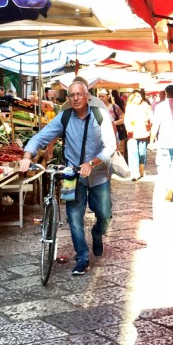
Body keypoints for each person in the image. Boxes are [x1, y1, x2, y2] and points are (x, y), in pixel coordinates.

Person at [19, 78, 115, 276]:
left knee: (104, 215)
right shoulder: (64, 117)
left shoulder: (100, 115)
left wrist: (92, 163)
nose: (76, 98)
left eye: (79, 94)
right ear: (68, 98)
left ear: (87, 96)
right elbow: (41, 136)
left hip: (98, 175)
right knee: (74, 218)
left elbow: (110, 147)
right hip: (74, 176)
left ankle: (97, 234)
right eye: (72, 95)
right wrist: (27, 156)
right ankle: (82, 258)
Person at [124, 89, 152, 181]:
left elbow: (151, 117)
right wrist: (129, 129)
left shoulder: (146, 106)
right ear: (133, 97)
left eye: (140, 96)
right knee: (133, 153)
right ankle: (134, 173)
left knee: (142, 153)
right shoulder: (129, 107)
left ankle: (141, 170)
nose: (139, 98)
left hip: (143, 133)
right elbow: (126, 119)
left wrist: (148, 123)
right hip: (133, 133)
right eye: (137, 96)